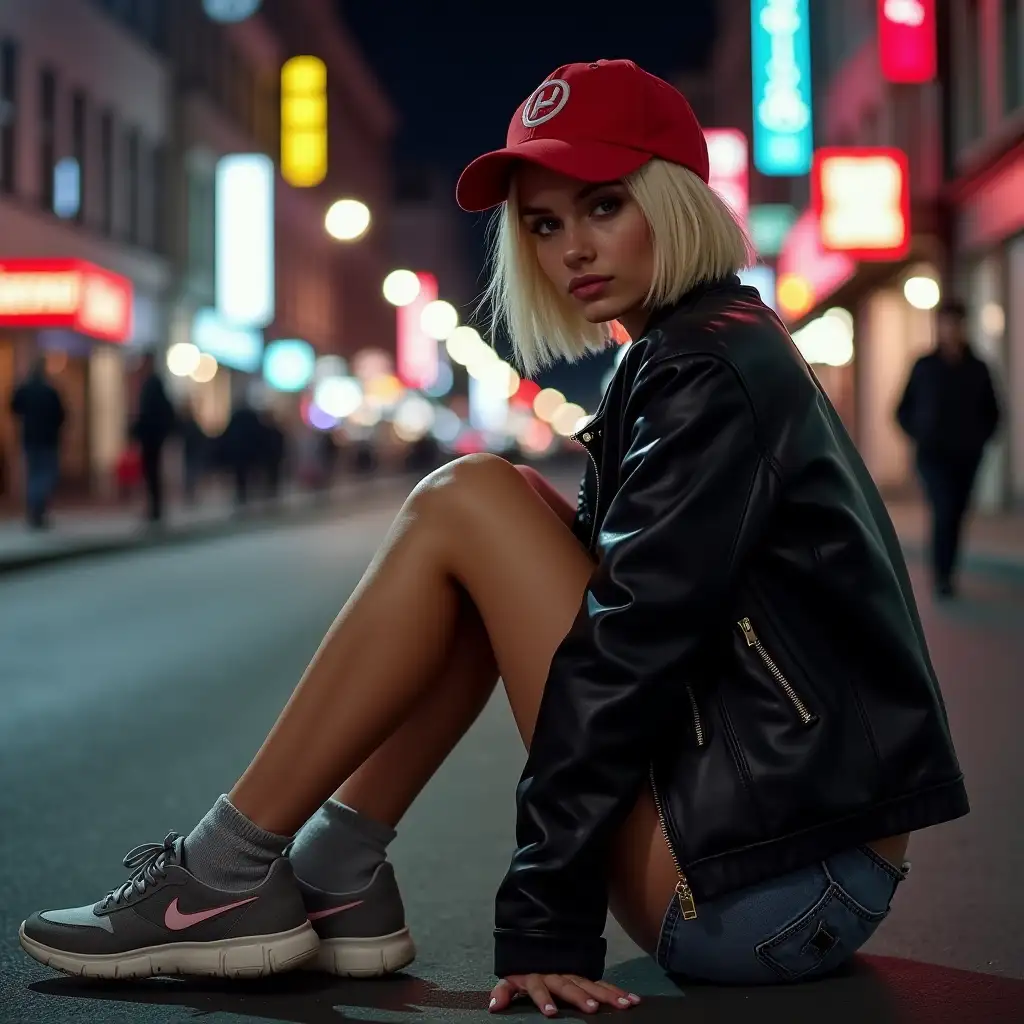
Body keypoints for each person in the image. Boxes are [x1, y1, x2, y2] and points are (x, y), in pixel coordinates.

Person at [19, 61, 968, 1015]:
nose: (571, 251)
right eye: (545, 224)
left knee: (469, 495)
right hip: (792, 857)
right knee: (490, 505)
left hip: (771, 886)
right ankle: (335, 873)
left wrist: (546, 919)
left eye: (603, 207)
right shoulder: (703, 348)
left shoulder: (707, 369)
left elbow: (625, 656)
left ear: (676, 202)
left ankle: (221, 872)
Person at [897, 301, 1000, 597]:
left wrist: (979, 439)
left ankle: (948, 570)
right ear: (939, 327)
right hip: (932, 456)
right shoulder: (924, 366)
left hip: (967, 457)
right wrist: (919, 434)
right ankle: (941, 576)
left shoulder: (978, 368)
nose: (952, 331)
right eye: (946, 324)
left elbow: (993, 412)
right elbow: (901, 410)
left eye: (957, 324)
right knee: (943, 509)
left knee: (955, 513)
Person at [10, 356, 65, 529]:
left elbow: (13, 406)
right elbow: (61, 415)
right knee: (46, 475)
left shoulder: (26, 389)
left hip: (31, 438)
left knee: (35, 474)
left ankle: (35, 510)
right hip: (47, 440)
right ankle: (37, 509)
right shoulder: (49, 391)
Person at [131, 353, 177, 523]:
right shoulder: (150, 384)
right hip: (152, 436)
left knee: (152, 473)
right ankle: (155, 508)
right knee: (151, 473)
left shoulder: (152, 385)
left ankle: (155, 508)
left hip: (152, 437)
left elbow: (151, 413)